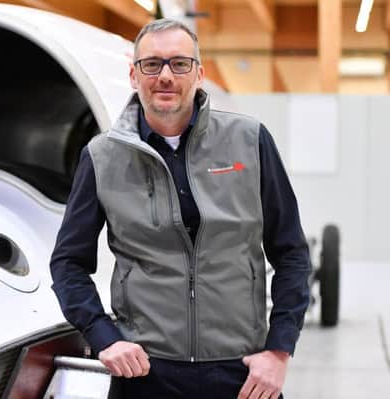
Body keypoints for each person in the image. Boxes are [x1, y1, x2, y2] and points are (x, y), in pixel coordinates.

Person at [50, 19, 311, 399]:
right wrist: (104, 337)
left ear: (200, 73)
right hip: (146, 371)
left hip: (240, 371)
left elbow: (292, 254)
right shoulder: (102, 157)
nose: (165, 76)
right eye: (152, 64)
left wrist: (278, 350)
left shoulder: (249, 141)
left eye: (179, 63)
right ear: (133, 74)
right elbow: (68, 262)